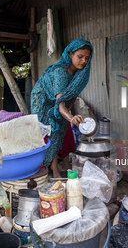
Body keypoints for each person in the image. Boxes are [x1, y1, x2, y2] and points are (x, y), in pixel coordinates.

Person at [31, 39, 93, 178]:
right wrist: (71, 118)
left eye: (86, 58)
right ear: (70, 54)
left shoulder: (77, 75)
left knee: (60, 130)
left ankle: (55, 170)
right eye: (80, 57)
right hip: (42, 101)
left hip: (59, 103)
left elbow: (70, 99)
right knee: (49, 133)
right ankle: (50, 170)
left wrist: (67, 117)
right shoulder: (60, 74)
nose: (83, 61)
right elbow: (60, 105)